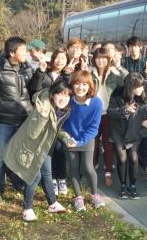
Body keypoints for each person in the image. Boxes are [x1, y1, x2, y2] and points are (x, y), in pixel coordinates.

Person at [3, 80, 71, 221]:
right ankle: (27, 209)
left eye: (67, 95)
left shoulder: (63, 110)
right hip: (30, 147)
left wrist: (66, 138)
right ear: (52, 95)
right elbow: (32, 133)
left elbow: (56, 129)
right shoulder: (43, 107)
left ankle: (52, 203)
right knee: (34, 176)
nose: (63, 98)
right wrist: (42, 117)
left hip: (44, 147)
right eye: (60, 94)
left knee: (47, 173)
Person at [0, 37, 34, 205]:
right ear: (12, 52)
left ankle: (18, 183)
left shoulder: (27, 68)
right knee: (1, 158)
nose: (25, 53)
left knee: (20, 155)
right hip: (4, 122)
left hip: (24, 121)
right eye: (23, 50)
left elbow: (34, 91)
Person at [28, 47, 70, 195]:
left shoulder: (67, 76)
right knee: (47, 149)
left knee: (59, 149)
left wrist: (68, 75)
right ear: (53, 58)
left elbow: (70, 94)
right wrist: (40, 72)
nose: (60, 61)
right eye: (58, 58)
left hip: (59, 118)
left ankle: (62, 178)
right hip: (44, 117)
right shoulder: (44, 72)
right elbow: (33, 89)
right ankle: (51, 178)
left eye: (63, 59)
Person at [62, 70, 105, 211]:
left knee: (88, 167)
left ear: (90, 86)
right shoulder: (67, 100)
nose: (80, 87)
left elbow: (94, 128)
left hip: (87, 138)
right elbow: (62, 122)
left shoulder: (97, 102)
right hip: (69, 138)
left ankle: (94, 194)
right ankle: (78, 197)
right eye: (77, 83)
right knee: (73, 167)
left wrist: (79, 142)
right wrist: (68, 139)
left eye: (85, 84)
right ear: (72, 85)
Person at [107, 73, 147, 199]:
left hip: (135, 133)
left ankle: (132, 185)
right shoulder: (117, 94)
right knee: (121, 159)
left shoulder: (143, 98)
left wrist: (141, 125)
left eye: (142, 86)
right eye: (139, 86)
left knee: (133, 159)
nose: (142, 89)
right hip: (118, 132)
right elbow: (110, 113)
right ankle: (123, 185)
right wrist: (125, 109)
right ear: (131, 86)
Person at [90, 47, 128, 187]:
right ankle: (91, 172)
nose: (101, 61)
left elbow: (128, 82)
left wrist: (120, 69)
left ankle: (107, 174)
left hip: (108, 115)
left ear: (108, 60)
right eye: (98, 57)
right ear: (94, 59)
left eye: (104, 58)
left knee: (108, 145)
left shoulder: (113, 74)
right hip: (92, 115)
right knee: (93, 145)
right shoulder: (90, 73)